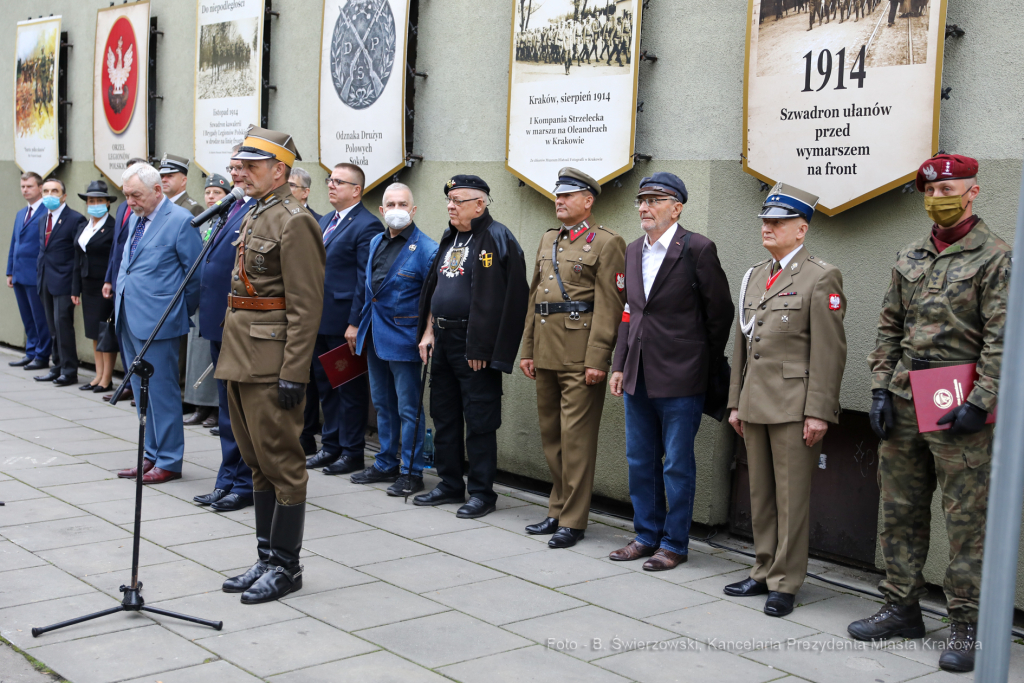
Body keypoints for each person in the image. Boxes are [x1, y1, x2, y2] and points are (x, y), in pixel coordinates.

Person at [847, 155, 1009, 673]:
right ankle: (900, 606)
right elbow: (888, 327)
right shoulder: (909, 254)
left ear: (974, 192)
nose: (940, 197)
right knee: (900, 508)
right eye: (931, 190)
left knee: (966, 520)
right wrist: (877, 390)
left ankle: (967, 624)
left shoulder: (996, 256)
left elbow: (1002, 341)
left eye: (951, 188)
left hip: (959, 398)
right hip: (904, 395)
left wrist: (981, 401)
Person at [723, 183, 847, 617]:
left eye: (777, 222)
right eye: (765, 221)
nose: (767, 228)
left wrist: (819, 411)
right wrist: (735, 401)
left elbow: (829, 352)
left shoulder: (820, 276)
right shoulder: (757, 274)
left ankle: (786, 581)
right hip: (755, 402)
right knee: (761, 494)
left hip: (795, 405)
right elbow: (742, 344)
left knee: (791, 498)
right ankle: (761, 569)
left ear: (801, 228)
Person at [216, 126, 325, 604]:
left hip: (271, 359)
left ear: (279, 169)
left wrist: (293, 372)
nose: (243, 173)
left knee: (283, 464)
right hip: (240, 354)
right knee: (256, 462)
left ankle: (287, 566)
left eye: (253, 166)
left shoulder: (294, 220)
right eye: (241, 165)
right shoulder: (255, 212)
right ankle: (265, 557)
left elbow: (306, 306)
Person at [608, 173, 734, 568]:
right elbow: (630, 311)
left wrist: (701, 361)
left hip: (682, 376)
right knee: (639, 459)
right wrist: (618, 363)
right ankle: (646, 535)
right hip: (637, 373)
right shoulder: (632, 251)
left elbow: (720, 314)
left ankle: (674, 544)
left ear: (676, 207)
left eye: (655, 200)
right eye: (641, 200)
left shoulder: (697, 248)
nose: (644, 207)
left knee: (677, 463)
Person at [519, 168, 626, 549]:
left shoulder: (607, 242)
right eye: (557, 195)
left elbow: (610, 308)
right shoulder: (550, 239)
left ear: (588, 200)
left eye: (568, 195)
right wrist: (528, 349)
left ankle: (573, 519)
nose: (559, 201)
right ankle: (556, 508)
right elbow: (537, 298)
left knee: (576, 439)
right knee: (552, 437)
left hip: (580, 356)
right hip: (546, 350)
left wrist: (599, 359)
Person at [413, 175, 529, 518]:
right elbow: (437, 288)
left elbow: (511, 299)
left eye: (458, 200)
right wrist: (428, 331)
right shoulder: (451, 237)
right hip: (444, 339)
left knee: (479, 420)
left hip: (474, 345)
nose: (450, 205)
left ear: (480, 204)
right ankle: (449, 484)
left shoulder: (497, 237)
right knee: (444, 415)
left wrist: (485, 348)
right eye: (449, 199)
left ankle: (481, 492)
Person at [113, 163, 202, 484]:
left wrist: (176, 313)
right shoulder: (136, 219)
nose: (130, 201)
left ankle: (169, 460)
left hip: (160, 323)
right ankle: (150, 455)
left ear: (158, 191)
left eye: (136, 195)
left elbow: (195, 275)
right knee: (142, 393)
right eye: (126, 195)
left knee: (162, 394)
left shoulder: (180, 221)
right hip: (129, 318)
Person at [352, 183, 438, 495]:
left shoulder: (426, 249)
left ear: (413, 210)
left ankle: (412, 471)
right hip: (375, 335)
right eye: (391, 204)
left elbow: (433, 299)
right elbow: (369, 291)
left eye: (403, 203)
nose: (397, 209)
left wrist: (428, 334)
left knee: (408, 407)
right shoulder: (376, 240)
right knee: (383, 405)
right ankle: (386, 462)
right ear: (382, 210)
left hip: (404, 339)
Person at [303, 163, 380, 475]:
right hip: (319, 320)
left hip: (343, 325)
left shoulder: (366, 225)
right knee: (326, 388)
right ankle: (331, 446)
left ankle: (352, 452)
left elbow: (365, 280)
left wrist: (355, 323)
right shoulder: (325, 220)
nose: (331, 186)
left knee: (348, 389)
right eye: (330, 180)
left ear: (356, 190)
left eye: (338, 181)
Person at [193, 155, 255, 512]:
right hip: (219, 323)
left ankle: (244, 482)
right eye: (232, 169)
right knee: (227, 408)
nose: (235, 175)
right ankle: (227, 478)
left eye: (241, 169)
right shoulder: (230, 207)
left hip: (241, 326)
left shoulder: (259, 210)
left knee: (241, 412)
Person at [183, 174, 230, 427]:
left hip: (218, 300)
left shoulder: (228, 221)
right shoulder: (204, 223)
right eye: (208, 192)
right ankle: (199, 404)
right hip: (200, 295)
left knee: (214, 359)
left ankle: (215, 408)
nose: (211, 197)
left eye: (217, 193)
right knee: (197, 354)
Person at [102, 157, 149, 402]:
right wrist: (110, 278)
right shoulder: (124, 207)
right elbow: (117, 247)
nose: (131, 200)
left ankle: (138, 384)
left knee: (140, 341)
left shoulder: (151, 209)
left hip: (141, 290)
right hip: (121, 282)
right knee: (124, 337)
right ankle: (129, 382)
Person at [34, 178, 87, 387]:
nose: (49, 195)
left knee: (63, 326)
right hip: (45, 280)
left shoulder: (75, 219)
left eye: (54, 191)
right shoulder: (42, 219)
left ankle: (69, 371)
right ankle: (55, 367)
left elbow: (78, 256)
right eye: (46, 191)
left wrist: (76, 286)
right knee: (52, 327)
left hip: (64, 281)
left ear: (63, 195)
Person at [71, 180, 118, 393]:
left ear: (107, 203)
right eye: (91, 201)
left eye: (99, 200)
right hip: (87, 286)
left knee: (105, 331)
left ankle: (107, 378)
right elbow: (77, 259)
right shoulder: (83, 226)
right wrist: (75, 289)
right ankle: (97, 375)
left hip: (104, 286)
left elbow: (115, 258)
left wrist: (111, 281)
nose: (95, 204)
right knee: (93, 332)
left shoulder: (113, 226)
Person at [7, 172, 51, 371]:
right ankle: (31, 351)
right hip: (19, 274)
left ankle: (42, 354)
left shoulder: (46, 212)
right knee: (27, 317)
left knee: (39, 317)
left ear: (40, 188)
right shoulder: (20, 214)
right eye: (23, 186)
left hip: (35, 275)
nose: (25, 190)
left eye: (29, 186)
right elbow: (14, 243)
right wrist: (10, 271)